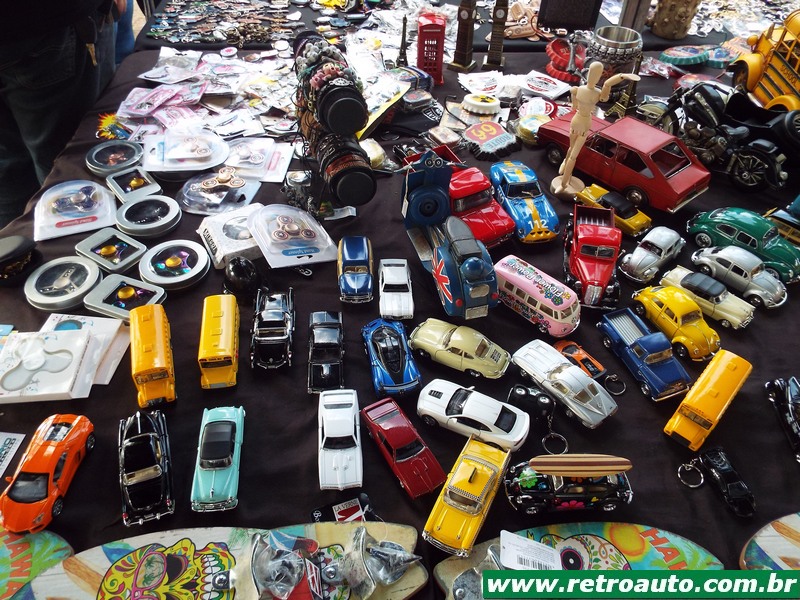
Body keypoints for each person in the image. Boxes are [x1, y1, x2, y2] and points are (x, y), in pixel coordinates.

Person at [0, 0, 123, 229]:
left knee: (10, 171)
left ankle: (18, 247)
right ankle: (70, 239)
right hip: (48, 28)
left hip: (39, 29)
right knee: (69, 165)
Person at [552, 61, 640, 195]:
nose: (593, 77)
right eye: (592, 73)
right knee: (571, 148)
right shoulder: (580, 89)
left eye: (597, 74)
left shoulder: (594, 91)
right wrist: (573, 95)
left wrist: (622, 76)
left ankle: (564, 184)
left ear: (600, 76)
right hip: (577, 121)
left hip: (584, 123)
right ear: (588, 74)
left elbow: (607, 87)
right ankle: (565, 165)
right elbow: (574, 107)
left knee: (573, 156)